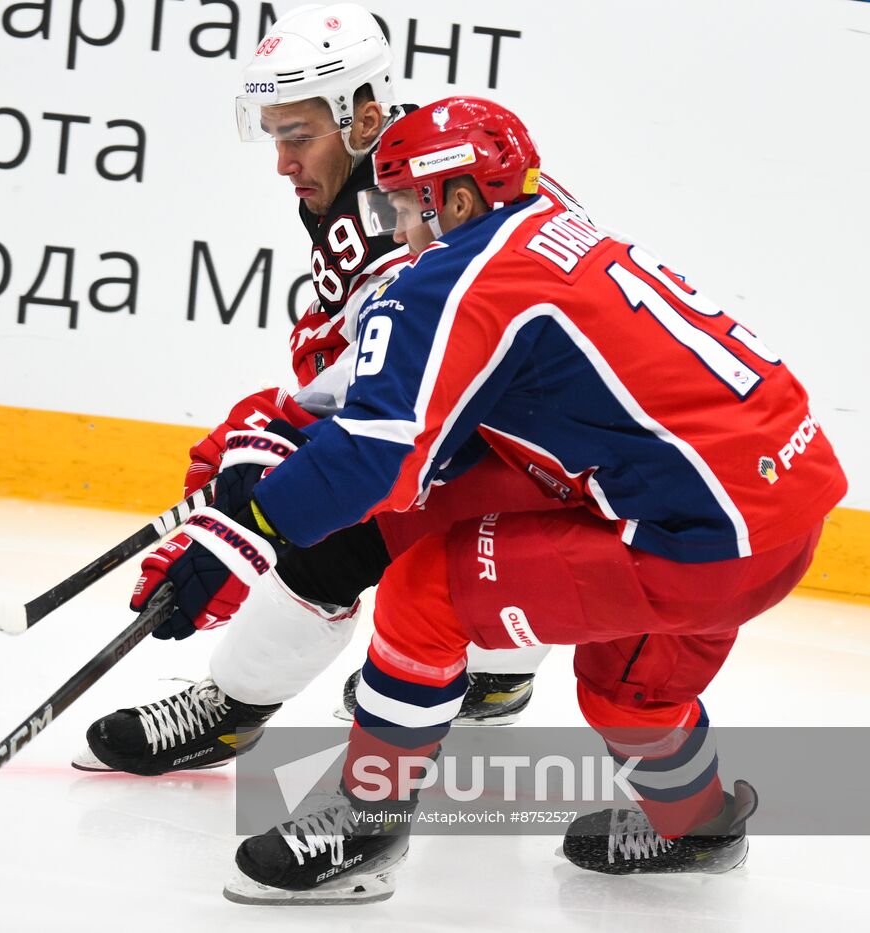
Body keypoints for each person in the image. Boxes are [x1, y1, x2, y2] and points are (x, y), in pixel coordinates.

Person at [143, 97, 847, 903]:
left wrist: (258, 516)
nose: (402, 231)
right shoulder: (554, 216)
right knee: (629, 688)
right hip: (782, 508)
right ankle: (699, 823)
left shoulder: (453, 277)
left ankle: (367, 821)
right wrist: (302, 451)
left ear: (461, 200)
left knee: (424, 595)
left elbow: (377, 453)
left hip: (693, 539)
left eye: (408, 206)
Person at [72, 2, 570, 779]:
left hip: (530, 444)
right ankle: (499, 666)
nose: (281, 161)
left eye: (297, 135)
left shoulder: (402, 201)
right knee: (358, 517)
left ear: (364, 116)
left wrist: (284, 434)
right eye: (272, 134)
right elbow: (368, 331)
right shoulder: (404, 163)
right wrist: (282, 415)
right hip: (516, 423)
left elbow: (408, 357)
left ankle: (232, 710)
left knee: (328, 541)